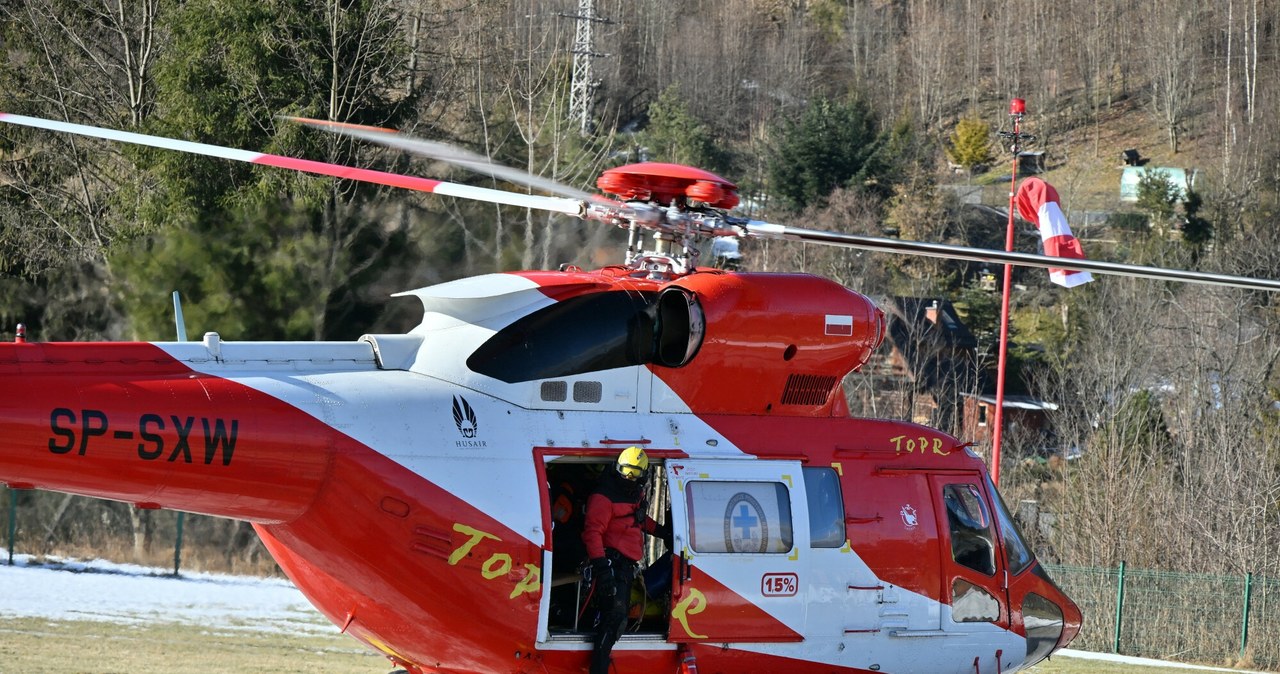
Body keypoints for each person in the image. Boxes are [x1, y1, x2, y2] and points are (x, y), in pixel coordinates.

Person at [581, 447, 665, 674]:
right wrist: (602, 569)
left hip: (626, 566)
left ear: (644, 474)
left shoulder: (633, 496)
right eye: (626, 472)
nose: (629, 478)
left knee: (619, 616)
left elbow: (636, 520)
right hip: (610, 564)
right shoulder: (603, 496)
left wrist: (662, 532)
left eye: (634, 474)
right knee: (614, 618)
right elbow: (592, 533)